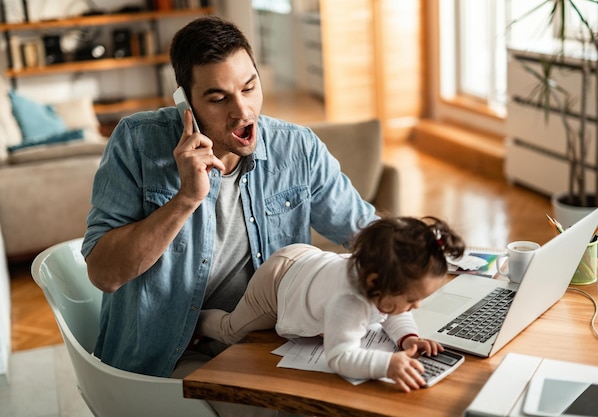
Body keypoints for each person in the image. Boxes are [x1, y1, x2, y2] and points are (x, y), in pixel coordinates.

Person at [80, 14, 377, 417]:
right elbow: (103, 273)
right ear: (185, 103)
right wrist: (186, 197)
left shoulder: (297, 149)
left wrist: (434, 255)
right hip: (170, 353)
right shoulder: (135, 143)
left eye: (249, 87)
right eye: (218, 98)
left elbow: (367, 234)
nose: (243, 111)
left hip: (269, 342)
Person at [196, 216, 465, 392]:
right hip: (276, 283)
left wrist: (409, 338)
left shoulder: (380, 279)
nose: (415, 306)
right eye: (410, 299)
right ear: (374, 283)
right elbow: (340, 356)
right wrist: (387, 365)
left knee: (397, 309)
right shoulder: (348, 302)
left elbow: (392, 313)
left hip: (309, 261)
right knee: (231, 330)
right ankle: (196, 322)